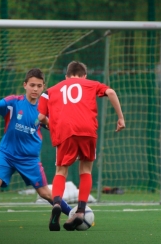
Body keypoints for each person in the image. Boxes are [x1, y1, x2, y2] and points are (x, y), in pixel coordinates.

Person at [0, 68, 71, 229]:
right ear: (25, 85)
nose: (35, 89)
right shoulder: (13, 102)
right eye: (32, 85)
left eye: (39, 86)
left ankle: (74, 215)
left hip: (29, 159)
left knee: (45, 193)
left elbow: (55, 126)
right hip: (6, 154)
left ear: (43, 87)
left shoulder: (46, 108)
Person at [38, 61, 125, 231]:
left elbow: (40, 117)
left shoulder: (50, 91)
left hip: (64, 130)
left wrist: (50, 124)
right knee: (85, 170)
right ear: (84, 76)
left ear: (66, 76)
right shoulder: (91, 84)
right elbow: (111, 92)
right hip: (87, 129)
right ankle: (80, 212)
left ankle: (56, 204)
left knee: (61, 171)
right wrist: (120, 118)